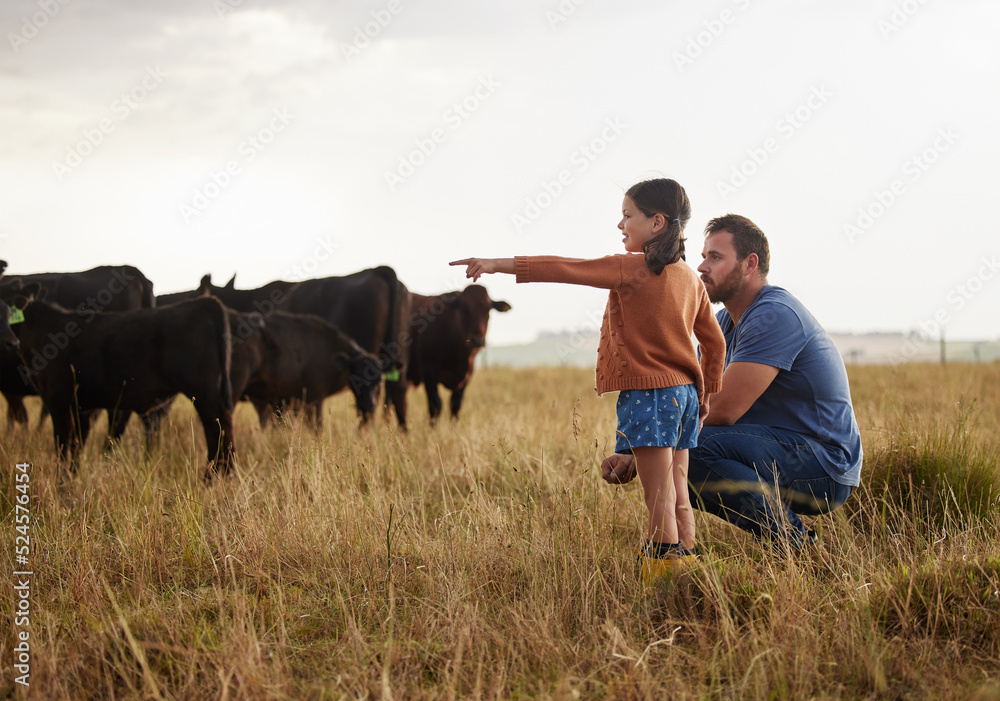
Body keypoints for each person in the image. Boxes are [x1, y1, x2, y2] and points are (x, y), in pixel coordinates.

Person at [450, 178, 725, 587]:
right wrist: (705, 396)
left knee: (657, 503)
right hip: (685, 396)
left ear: (657, 222)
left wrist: (495, 265)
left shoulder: (631, 268)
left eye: (628, 215)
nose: (620, 224)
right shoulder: (689, 278)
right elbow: (714, 342)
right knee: (679, 495)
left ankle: (664, 589)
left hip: (650, 395)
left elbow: (564, 268)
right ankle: (692, 577)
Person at [601, 214, 863, 552]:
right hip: (776, 449)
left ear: (749, 263)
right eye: (703, 255)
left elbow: (721, 410)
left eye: (715, 257)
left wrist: (647, 444)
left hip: (823, 466)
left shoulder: (775, 315)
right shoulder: (724, 323)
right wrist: (632, 450)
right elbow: (683, 391)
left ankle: (798, 546)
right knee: (679, 451)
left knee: (689, 452)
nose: (701, 267)